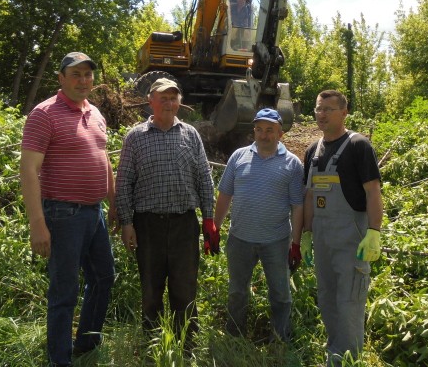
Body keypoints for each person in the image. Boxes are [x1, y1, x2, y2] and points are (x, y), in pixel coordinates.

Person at [20, 52, 117, 367]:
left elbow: (104, 161)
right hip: (63, 215)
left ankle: (86, 344)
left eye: (88, 74)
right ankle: (59, 360)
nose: (83, 80)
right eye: (76, 74)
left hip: (95, 214)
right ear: (61, 78)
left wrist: (114, 205)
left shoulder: (96, 113)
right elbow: (28, 170)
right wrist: (37, 223)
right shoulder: (44, 114)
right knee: (65, 291)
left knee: (103, 276)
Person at [115, 77, 217, 346]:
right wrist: (126, 222)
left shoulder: (190, 134)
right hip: (148, 225)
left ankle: (186, 345)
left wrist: (209, 219)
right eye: (164, 98)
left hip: (184, 224)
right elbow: (124, 181)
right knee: (151, 290)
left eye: (174, 98)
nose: (169, 103)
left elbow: (204, 177)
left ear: (180, 101)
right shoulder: (135, 137)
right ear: (151, 101)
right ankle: (153, 344)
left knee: (184, 289)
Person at [301, 90, 384, 366]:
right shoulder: (312, 151)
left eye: (328, 109)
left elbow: (373, 191)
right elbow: (310, 196)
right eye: (318, 109)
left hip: (352, 240)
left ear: (344, 112)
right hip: (323, 239)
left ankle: (347, 359)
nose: (321, 115)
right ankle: (334, 349)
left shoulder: (358, 145)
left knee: (349, 301)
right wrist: (307, 232)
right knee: (326, 297)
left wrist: (374, 232)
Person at [214, 108, 304, 342]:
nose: (264, 135)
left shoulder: (293, 164)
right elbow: (225, 195)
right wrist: (214, 228)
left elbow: (297, 206)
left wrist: (296, 242)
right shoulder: (238, 157)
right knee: (237, 291)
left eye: (270, 130)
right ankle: (235, 336)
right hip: (240, 238)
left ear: (280, 133)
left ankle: (280, 338)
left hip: (276, 241)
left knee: (280, 294)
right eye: (259, 129)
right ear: (253, 131)